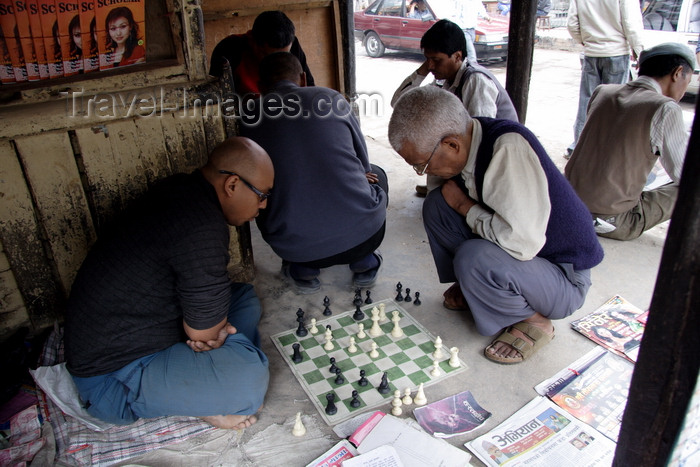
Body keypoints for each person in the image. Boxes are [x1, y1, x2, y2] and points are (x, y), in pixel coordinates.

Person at [64, 137, 273, 429]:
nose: (263, 205)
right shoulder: (201, 227)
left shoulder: (183, 189)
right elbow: (204, 335)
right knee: (250, 383)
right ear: (232, 185)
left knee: (244, 297)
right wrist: (217, 333)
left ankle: (207, 376)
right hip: (112, 377)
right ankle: (210, 393)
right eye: (262, 194)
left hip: (149, 323)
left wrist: (215, 330)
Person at [388, 86, 603, 364]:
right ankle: (478, 288)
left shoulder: (505, 150)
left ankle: (535, 321)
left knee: (474, 256)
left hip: (563, 277)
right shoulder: (469, 141)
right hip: (530, 262)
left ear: (452, 145)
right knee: (438, 205)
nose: (423, 172)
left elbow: (521, 243)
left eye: (422, 165)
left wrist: (466, 208)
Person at [239, 52, 388, 294]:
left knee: (263, 197)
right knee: (379, 176)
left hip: (293, 246)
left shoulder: (250, 115)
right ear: (303, 79)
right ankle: (364, 261)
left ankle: (303, 270)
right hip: (364, 237)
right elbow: (365, 166)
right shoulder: (331, 98)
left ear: (260, 87)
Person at [565, 43, 694, 241]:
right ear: (678, 73)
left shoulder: (603, 91)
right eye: (689, 78)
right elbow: (683, 176)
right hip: (614, 220)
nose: (685, 89)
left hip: (569, 207)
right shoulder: (666, 108)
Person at [392, 19, 517, 196]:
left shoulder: (476, 80)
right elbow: (399, 103)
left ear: (457, 56)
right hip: (472, 152)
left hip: (495, 160)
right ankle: (436, 190)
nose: (431, 66)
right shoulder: (447, 80)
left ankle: (441, 193)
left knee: (436, 151)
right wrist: (424, 69)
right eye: (427, 60)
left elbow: (478, 142)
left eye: (436, 60)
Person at [565, 0, 644, 158]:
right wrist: (638, 49)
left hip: (591, 53)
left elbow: (572, 23)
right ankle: (606, 151)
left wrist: (586, 41)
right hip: (616, 53)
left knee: (587, 102)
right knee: (613, 105)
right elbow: (631, 23)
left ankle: (579, 148)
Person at [210, 10, 315, 95]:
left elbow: (309, 87)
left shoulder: (293, 45)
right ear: (251, 40)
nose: (278, 65)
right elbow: (217, 96)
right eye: (268, 56)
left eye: (284, 56)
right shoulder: (229, 49)